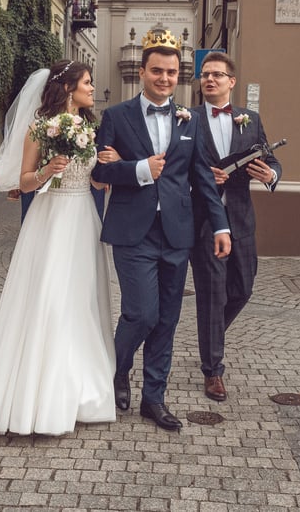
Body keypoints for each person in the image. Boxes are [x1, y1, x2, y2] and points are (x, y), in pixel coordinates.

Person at [0, 60, 118, 435]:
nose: (92, 88)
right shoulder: (39, 129)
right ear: (68, 88)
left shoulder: (89, 130)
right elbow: (25, 181)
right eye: (87, 82)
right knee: (50, 297)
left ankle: (82, 384)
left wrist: (109, 169)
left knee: (83, 298)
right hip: (51, 219)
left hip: (84, 217)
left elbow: (95, 181)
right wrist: (48, 171)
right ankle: (40, 391)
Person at [91, 28, 231, 432]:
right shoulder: (116, 116)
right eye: (157, 71)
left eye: (171, 72)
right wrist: (138, 169)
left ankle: (154, 398)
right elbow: (99, 171)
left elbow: (202, 177)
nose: (165, 78)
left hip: (176, 232)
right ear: (142, 71)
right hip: (132, 231)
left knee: (167, 319)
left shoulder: (191, 119)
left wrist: (220, 225)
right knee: (141, 313)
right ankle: (117, 370)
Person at [189, 52, 281, 402]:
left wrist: (270, 174)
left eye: (217, 74)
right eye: (205, 74)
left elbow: (271, 159)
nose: (209, 79)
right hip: (204, 222)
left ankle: (211, 334)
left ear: (231, 81)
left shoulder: (250, 120)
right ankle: (213, 370)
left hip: (241, 219)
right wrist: (198, 179)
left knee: (243, 289)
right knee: (212, 295)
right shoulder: (187, 119)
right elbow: (175, 166)